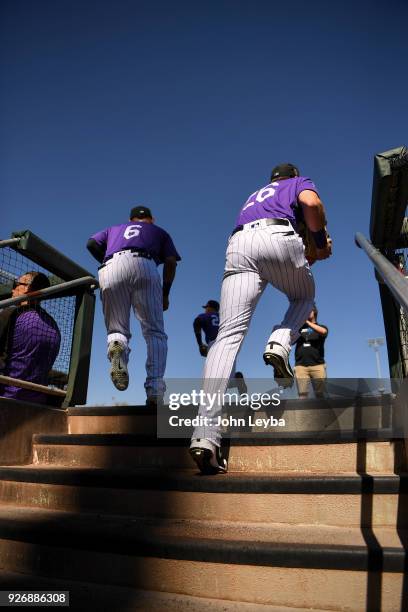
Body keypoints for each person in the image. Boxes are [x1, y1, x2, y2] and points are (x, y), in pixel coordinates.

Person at [189, 163, 331, 474]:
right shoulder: (297, 182)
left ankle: (204, 435)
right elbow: (311, 204)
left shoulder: (255, 196)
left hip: (239, 245)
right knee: (303, 297)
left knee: (226, 337)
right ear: (292, 175)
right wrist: (319, 245)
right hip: (278, 234)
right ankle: (280, 341)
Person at [87, 205, 181, 406]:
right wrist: (165, 293)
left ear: (130, 220)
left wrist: (107, 261)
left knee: (117, 329)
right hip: (144, 265)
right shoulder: (158, 231)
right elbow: (171, 261)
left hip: (111, 266)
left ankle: (118, 346)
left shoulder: (115, 229)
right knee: (154, 332)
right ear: (151, 219)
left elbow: (91, 243)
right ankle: (155, 390)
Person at [0, 271, 61, 404]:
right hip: (38, 402)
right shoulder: (53, 325)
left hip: (6, 397)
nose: (12, 289)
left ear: (28, 288)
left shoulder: (10, 314)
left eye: (17, 284)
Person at [193, 300, 247, 394]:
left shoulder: (207, 315)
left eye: (206, 307)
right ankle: (237, 380)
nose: (206, 310)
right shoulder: (225, 317)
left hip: (215, 344)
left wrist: (200, 344)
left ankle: (216, 406)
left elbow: (197, 322)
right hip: (231, 344)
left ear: (210, 307)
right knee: (227, 379)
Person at [294, 305, 328, 398]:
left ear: (314, 312)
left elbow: (324, 332)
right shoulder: (299, 329)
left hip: (318, 365)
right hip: (301, 366)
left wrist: (307, 322)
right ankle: (303, 413)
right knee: (302, 395)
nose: (306, 312)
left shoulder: (321, 327)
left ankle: (321, 412)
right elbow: (291, 340)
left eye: (309, 310)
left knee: (320, 394)